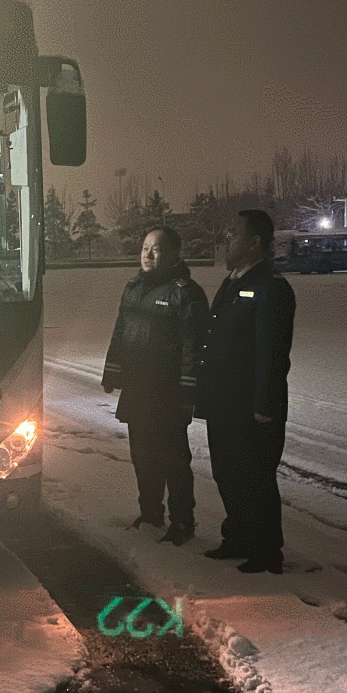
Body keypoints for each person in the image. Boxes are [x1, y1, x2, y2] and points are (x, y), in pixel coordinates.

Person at [195, 208, 296, 574]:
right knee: (227, 474)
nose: (227, 239)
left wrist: (264, 404)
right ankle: (237, 537)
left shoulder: (272, 288)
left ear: (255, 242)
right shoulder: (232, 283)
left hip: (251, 407)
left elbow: (272, 352)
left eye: (234, 233)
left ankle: (268, 551)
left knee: (255, 479)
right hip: (225, 403)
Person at [101, 227, 210, 544]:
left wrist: (188, 389)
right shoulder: (134, 288)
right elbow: (120, 332)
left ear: (176, 254)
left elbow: (194, 347)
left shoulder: (185, 293)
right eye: (145, 247)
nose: (148, 254)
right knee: (142, 457)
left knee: (174, 462)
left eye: (157, 249)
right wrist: (112, 371)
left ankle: (182, 523)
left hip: (169, 394)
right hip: (138, 390)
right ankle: (150, 514)